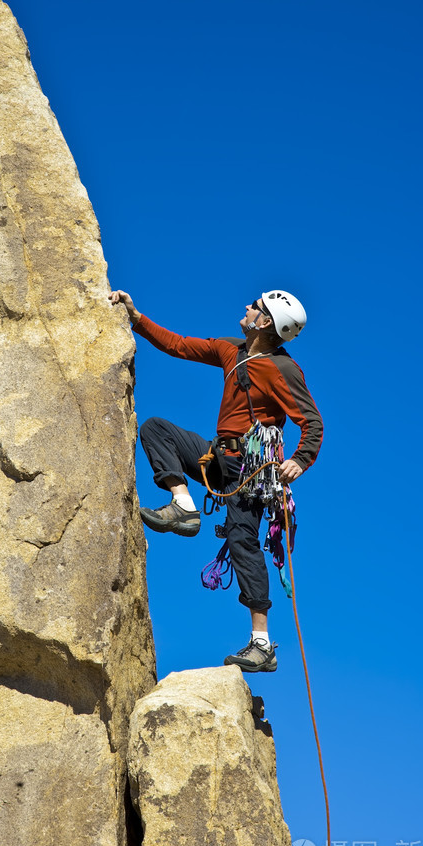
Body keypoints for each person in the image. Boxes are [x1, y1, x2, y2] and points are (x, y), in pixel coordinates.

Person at [108, 288, 323, 673]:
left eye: (255, 306)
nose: (247, 306)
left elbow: (312, 421)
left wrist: (299, 461)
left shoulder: (282, 368)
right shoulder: (232, 350)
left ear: (266, 322)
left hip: (253, 470)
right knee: (158, 430)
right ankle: (184, 506)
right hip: (219, 455)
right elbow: (179, 345)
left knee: (243, 541)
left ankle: (262, 644)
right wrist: (135, 317)